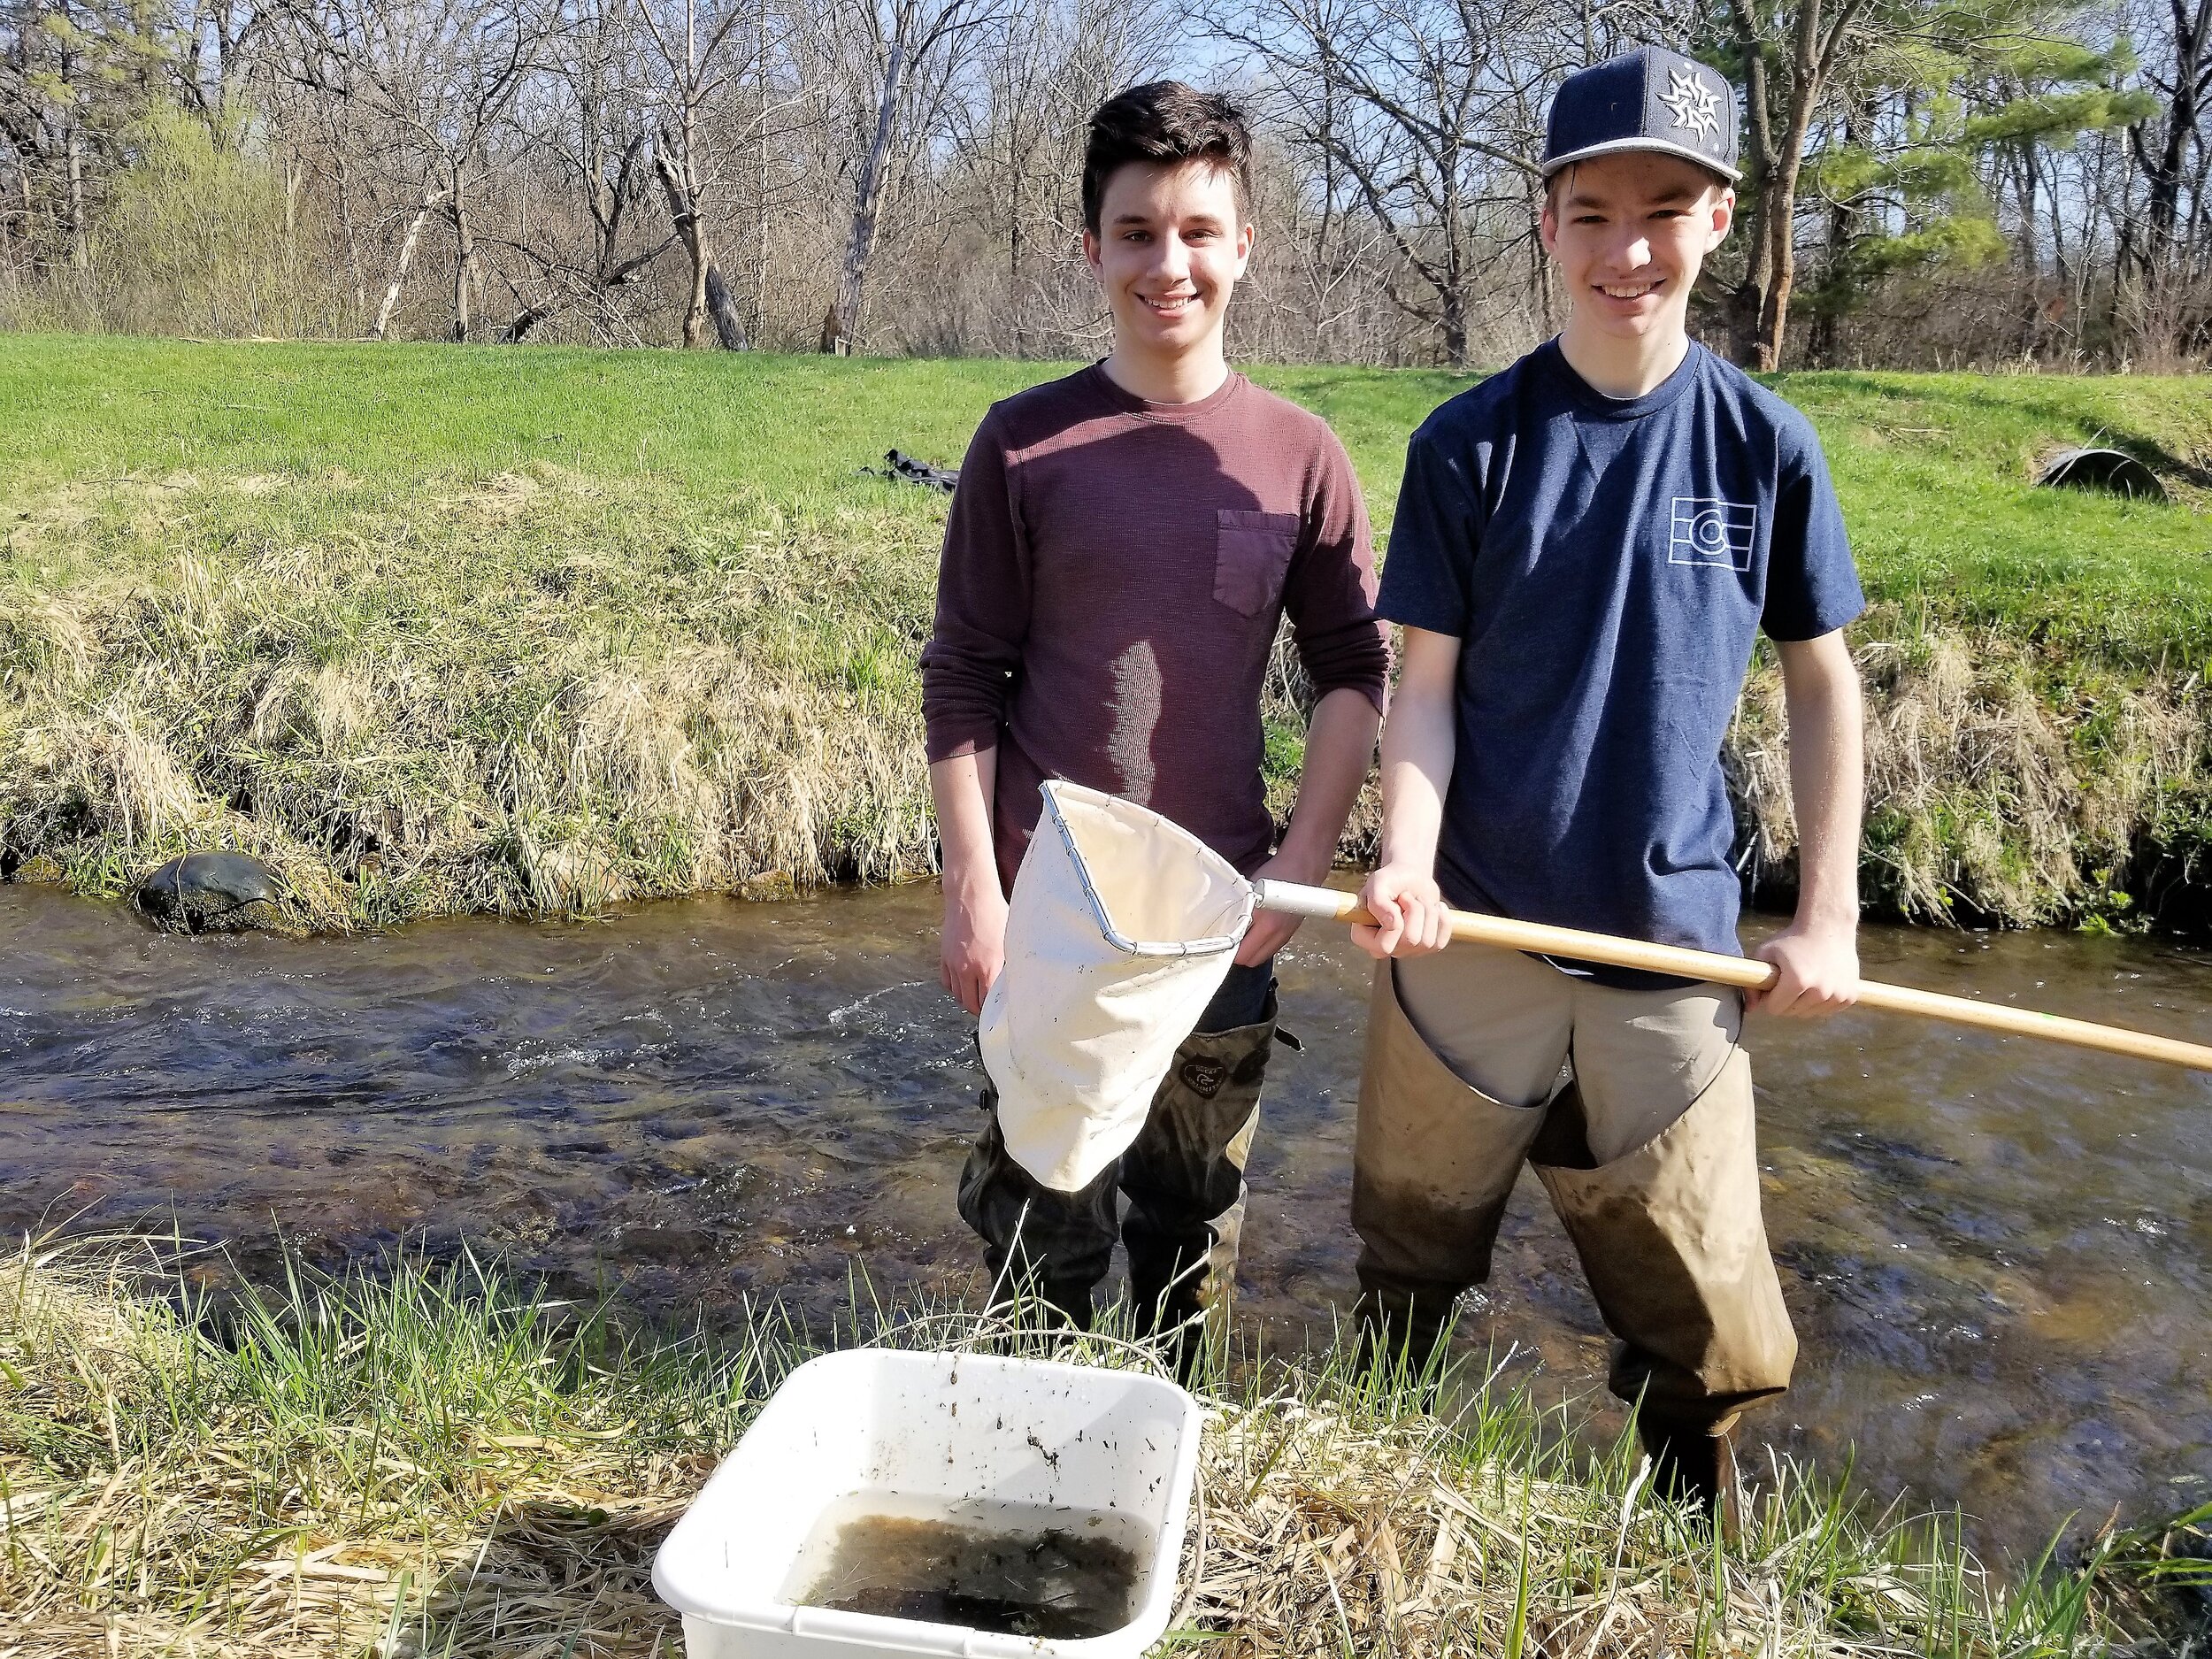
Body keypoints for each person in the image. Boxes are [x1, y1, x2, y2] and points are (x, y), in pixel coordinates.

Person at [1349, 45, 1866, 1528]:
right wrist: (1407, 864)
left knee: (1704, 1326)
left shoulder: (1769, 449)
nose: (1626, 248)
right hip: (1479, 942)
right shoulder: (1471, 447)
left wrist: (1824, 921)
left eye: (1664, 207)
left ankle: (1688, 1558)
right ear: (1545, 222)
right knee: (1409, 1261)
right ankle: (1373, 1508)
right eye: (1593, 211)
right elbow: (1425, 692)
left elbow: (1826, 686)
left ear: (1718, 220)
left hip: (1672, 946)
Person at [920, 82, 1392, 1371]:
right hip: (1053, 924)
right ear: (1092, 249)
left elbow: (1354, 667)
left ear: (1244, 246)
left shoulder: (1299, 457)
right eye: (1136, 232)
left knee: (1193, 1236)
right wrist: (976, 890)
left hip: (1225, 917)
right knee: (1044, 1241)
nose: (1167, 262)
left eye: (1196, 230)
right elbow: (963, 676)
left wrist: (1301, 866)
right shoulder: (1021, 445)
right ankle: (1026, 1485)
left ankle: (1172, 1476)